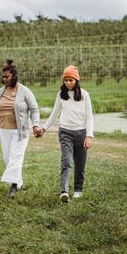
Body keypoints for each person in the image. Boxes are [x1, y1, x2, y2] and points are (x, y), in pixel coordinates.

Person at [38, 65, 94, 202]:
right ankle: (64, 191)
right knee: (66, 161)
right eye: (66, 80)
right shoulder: (61, 95)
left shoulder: (84, 95)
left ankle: (78, 190)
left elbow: (89, 117)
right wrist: (44, 128)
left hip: (81, 133)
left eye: (71, 80)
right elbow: (54, 113)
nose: (68, 83)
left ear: (76, 80)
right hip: (65, 133)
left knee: (80, 164)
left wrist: (89, 136)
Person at [0, 59, 42, 198]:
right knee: (7, 159)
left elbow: (34, 109)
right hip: (4, 131)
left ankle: (13, 188)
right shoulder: (0, 93)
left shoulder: (24, 91)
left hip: (20, 131)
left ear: (14, 76)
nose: (4, 79)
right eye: (3, 76)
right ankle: (19, 183)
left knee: (15, 159)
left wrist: (35, 124)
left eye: (7, 76)